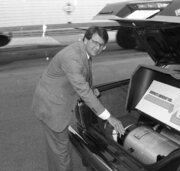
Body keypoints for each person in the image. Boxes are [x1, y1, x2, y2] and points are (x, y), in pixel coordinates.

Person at [31, 26, 125, 171]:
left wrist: (90, 89)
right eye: (94, 42)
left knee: (55, 150)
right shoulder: (72, 57)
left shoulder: (83, 51)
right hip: (52, 107)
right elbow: (83, 89)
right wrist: (110, 117)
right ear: (85, 39)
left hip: (52, 99)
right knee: (62, 155)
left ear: (104, 47)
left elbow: (80, 81)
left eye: (101, 45)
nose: (97, 47)